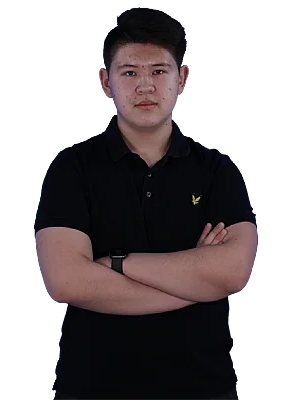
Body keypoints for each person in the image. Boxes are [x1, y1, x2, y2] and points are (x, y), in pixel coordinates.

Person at [34, 7, 257, 400]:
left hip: (204, 388)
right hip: (91, 389)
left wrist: (117, 263)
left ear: (181, 78)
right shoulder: (70, 169)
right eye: (129, 72)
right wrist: (196, 283)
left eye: (158, 71)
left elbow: (234, 273)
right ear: (106, 81)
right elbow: (66, 281)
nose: (145, 86)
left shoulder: (218, 170)